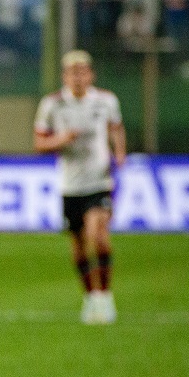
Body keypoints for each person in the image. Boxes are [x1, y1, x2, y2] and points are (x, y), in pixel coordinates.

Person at [34, 50, 127, 325]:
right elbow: (39, 143)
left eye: (83, 72)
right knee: (78, 245)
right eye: (72, 73)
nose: (78, 77)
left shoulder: (106, 101)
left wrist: (119, 151)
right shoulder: (52, 105)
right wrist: (61, 139)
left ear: (91, 75)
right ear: (65, 77)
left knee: (98, 236)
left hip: (99, 180)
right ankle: (90, 297)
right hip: (70, 184)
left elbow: (116, 128)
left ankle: (105, 296)